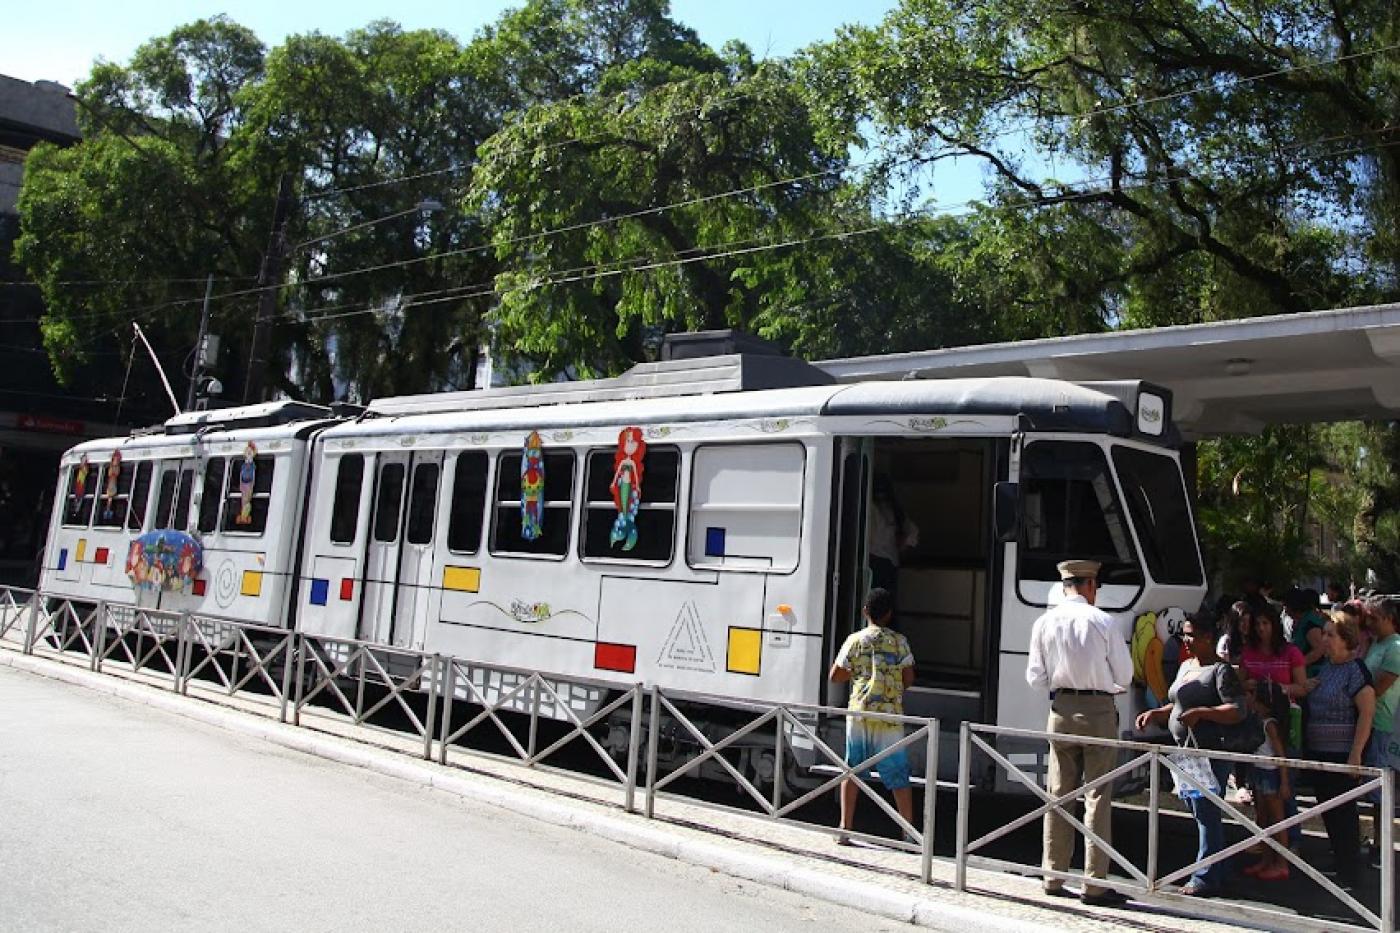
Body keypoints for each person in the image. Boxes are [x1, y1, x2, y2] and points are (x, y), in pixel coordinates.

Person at [1025, 559, 1133, 907]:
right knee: (1097, 796)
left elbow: (1035, 678)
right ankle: (1093, 882)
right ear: (1089, 586)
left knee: (1058, 793)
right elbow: (1125, 675)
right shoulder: (1103, 621)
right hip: (1099, 710)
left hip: (1060, 711)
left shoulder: (1044, 622)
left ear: (1064, 585)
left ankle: (1053, 875)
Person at [1136, 612, 1246, 897]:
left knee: (1207, 813)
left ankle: (1205, 876)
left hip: (1210, 752)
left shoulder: (1221, 671)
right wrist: (1155, 714)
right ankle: (1220, 868)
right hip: (1186, 754)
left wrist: (1203, 713)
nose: (1186, 640)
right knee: (1199, 812)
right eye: (1184, 635)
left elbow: (1236, 709)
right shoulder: (1186, 665)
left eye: (1192, 635)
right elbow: (1176, 705)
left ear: (1208, 637)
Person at [829, 588, 916, 843]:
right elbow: (909, 677)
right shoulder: (900, 641)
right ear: (889, 614)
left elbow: (835, 675)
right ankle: (908, 833)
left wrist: (859, 674)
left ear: (864, 611)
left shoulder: (855, 640)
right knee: (898, 774)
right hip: (890, 716)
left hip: (859, 714)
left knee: (852, 769)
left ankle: (845, 828)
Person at [1305, 614, 1376, 884]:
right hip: (1319, 752)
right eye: (1324, 634)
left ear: (1346, 640)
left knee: (1343, 812)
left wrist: (1356, 753)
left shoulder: (1355, 670)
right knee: (1327, 809)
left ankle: (1351, 870)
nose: (1324, 639)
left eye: (1330, 635)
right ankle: (1339, 860)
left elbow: (1366, 712)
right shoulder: (1326, 668)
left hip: (1342, 753)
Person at [1362, 597, 1400, 865]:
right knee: (1377, 791)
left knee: (1384, 789)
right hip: (1373, 722)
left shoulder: (1395, 647)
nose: (1369, 622)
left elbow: (1377, 687)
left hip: (1387, 725)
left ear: (1388, 618)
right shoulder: (1377, 643)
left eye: (1374, 618)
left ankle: (1383, 844)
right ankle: (1378, 841)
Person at [1242, 680, 1293, 881]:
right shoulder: (1257, 720)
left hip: (1271, 774)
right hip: (1259, 772)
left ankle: (1282, 863)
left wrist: (1284, 781)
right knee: (1263, 818)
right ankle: (1266, 859)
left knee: (1277, 820)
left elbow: (1280, 755)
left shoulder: (1269, 724)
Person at [1240, 603, 1310, 702]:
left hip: (1285, 710)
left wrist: (1278, 688)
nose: (1261, 628)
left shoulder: (1291, 652)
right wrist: (1246, 685)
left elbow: (1302, 689)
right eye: (1257, 624)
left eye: (1265, 623)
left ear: (1274, 624)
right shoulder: (1247, 653)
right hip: (1255, 711)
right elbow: (1239, 685)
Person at [867, 473, 918, 605]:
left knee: (879, 604)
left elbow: (912, 532)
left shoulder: (893, 510)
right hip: (884, 562)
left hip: (883, 562)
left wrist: (904, 542)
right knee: (884, 604)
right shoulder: (888, 509)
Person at [1285, 587, 1328, 678]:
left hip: (1314, 673)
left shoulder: (1310, 623)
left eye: (1286, 606)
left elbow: (1319, 650)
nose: (1285, 610)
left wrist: (1299, 664)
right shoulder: (1302, 621)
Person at [1217, 601, 1254, 665]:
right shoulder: (1226, 641)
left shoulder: (1253, 639)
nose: (1246, 624)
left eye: (1249, 620)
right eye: (1242, 620)